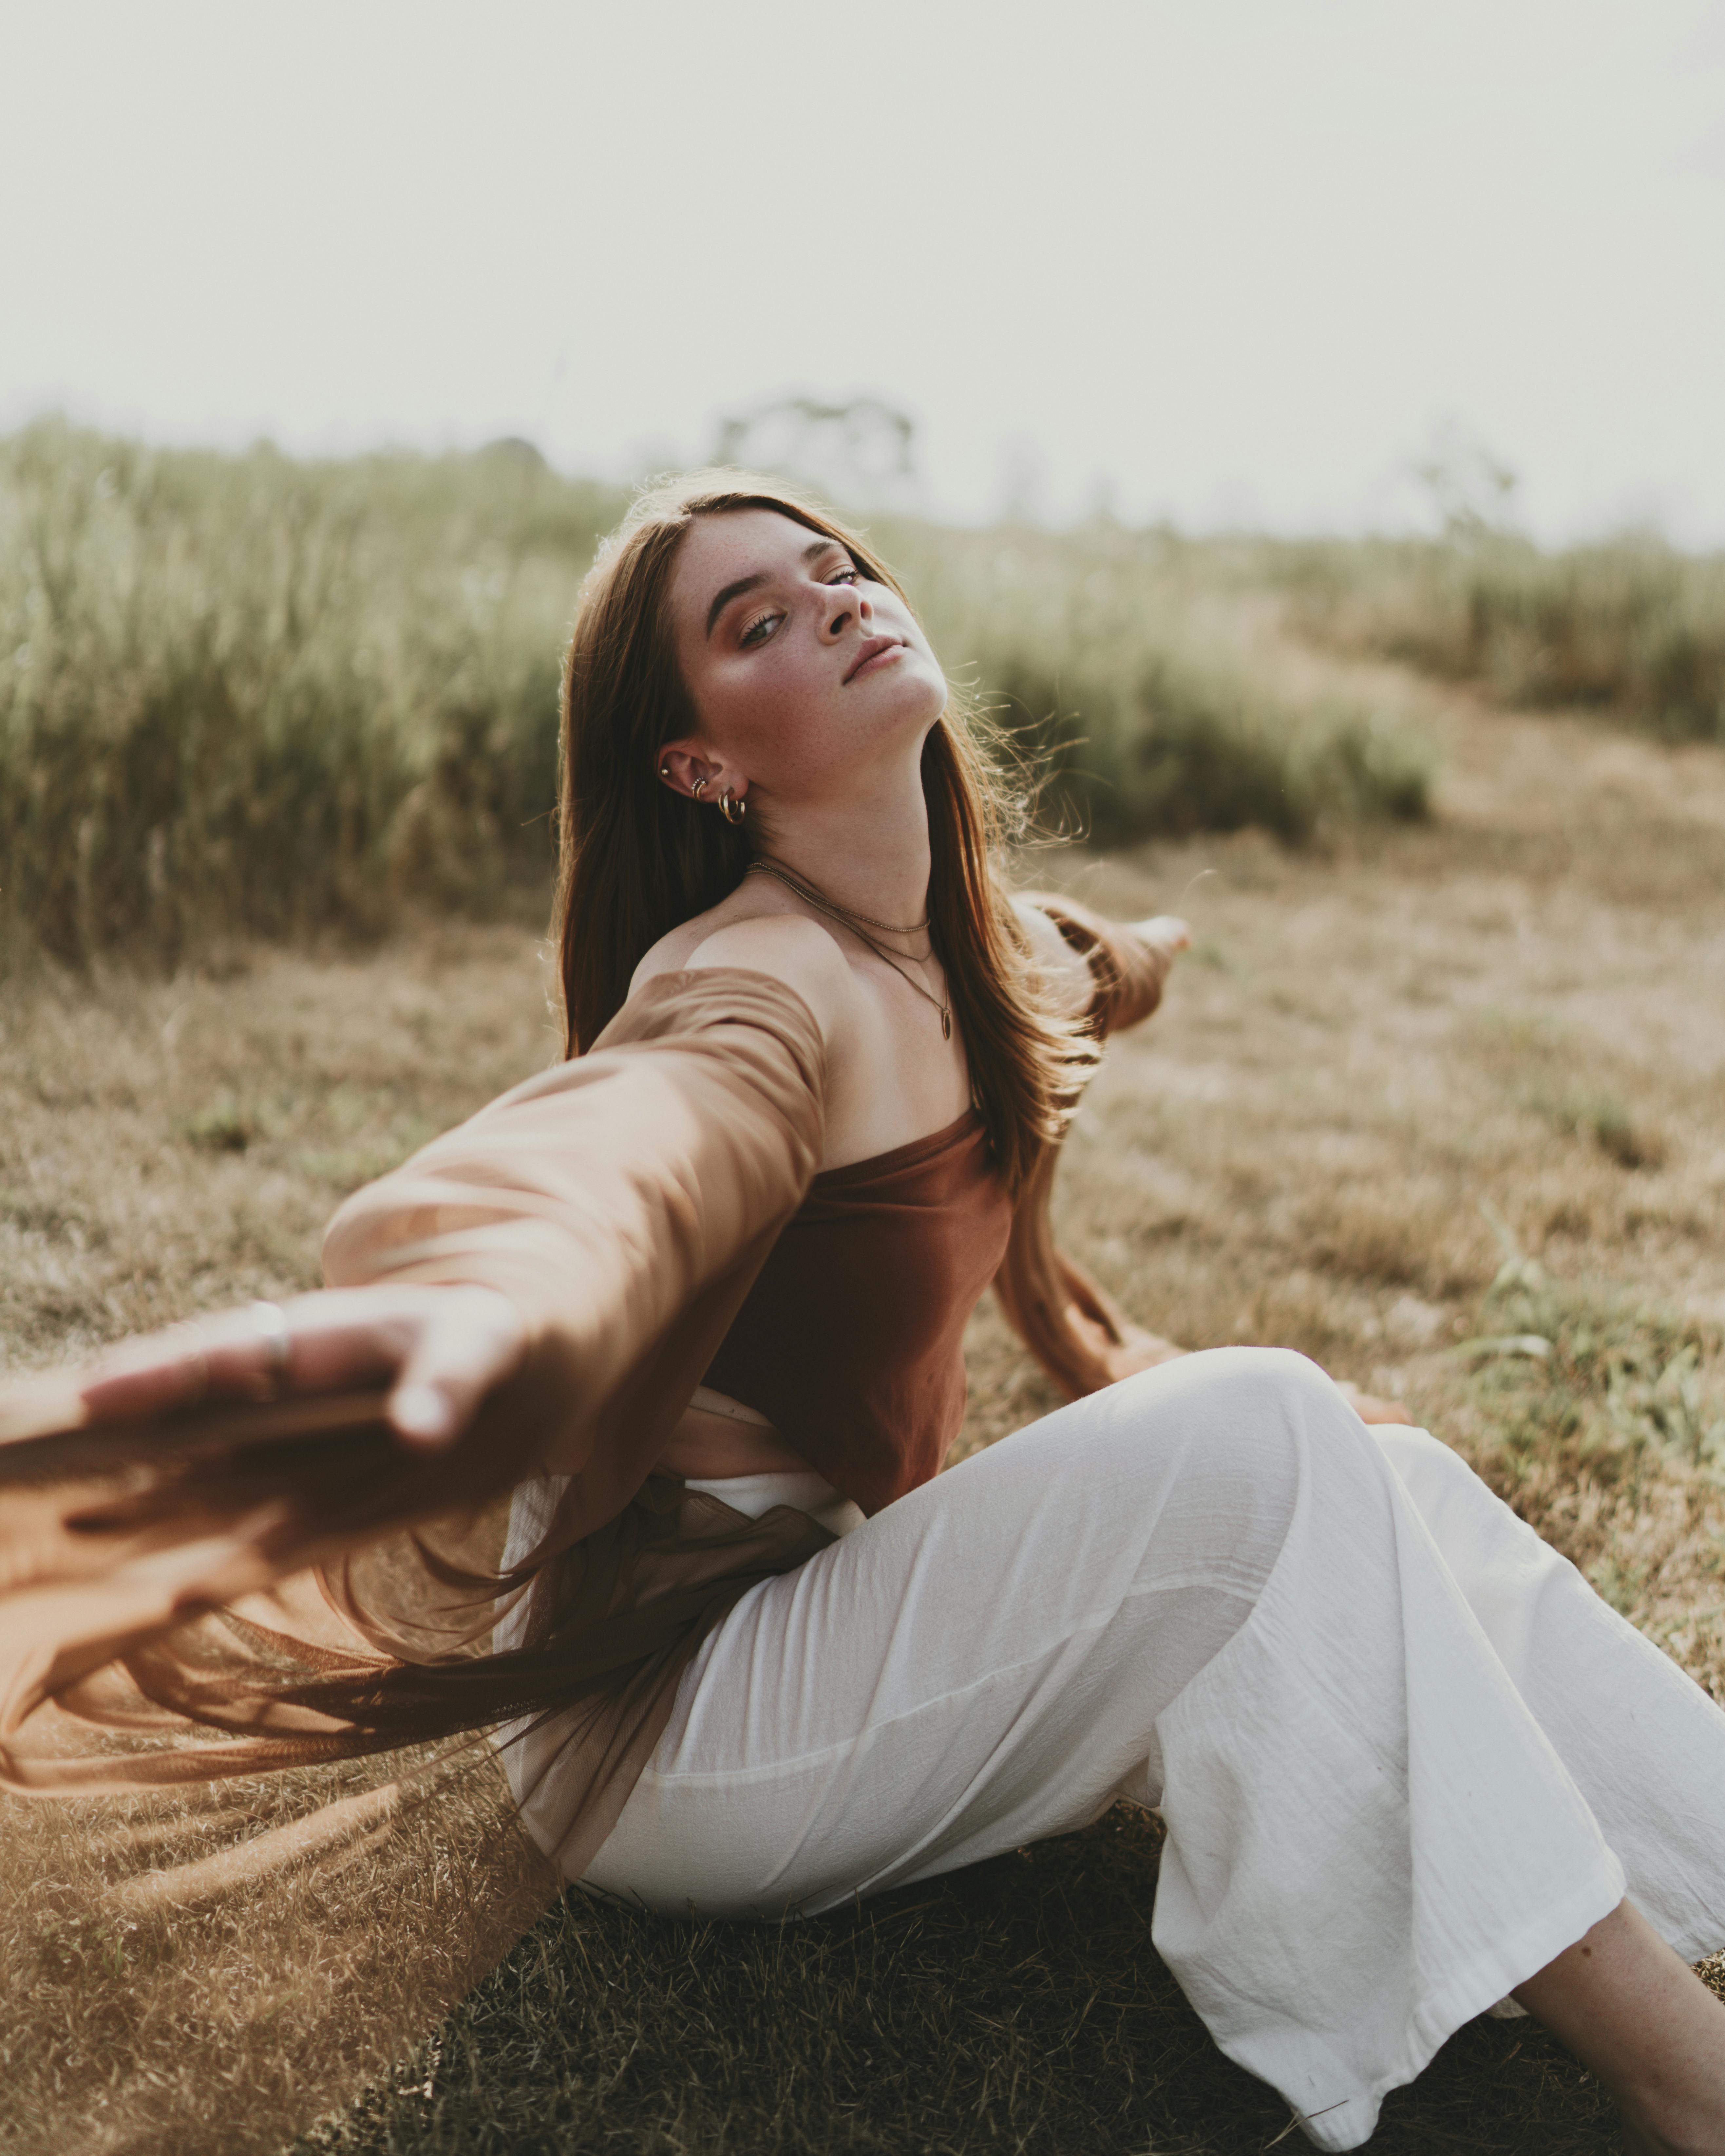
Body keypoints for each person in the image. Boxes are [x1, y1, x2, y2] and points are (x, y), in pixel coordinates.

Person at [6, 473, 1725, 2154]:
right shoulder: (754, 980)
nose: (830, 595)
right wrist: (490, 1298)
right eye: (757, 617)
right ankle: (1687, 2082)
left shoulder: (982, 955)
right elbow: (638, 1149)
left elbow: (1091, 973)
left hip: (814, 1609)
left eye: (833, 566)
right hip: (663, 1738)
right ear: (700, 761)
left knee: (1381, 1476)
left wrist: (1149, 966)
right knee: (1267, 1426)